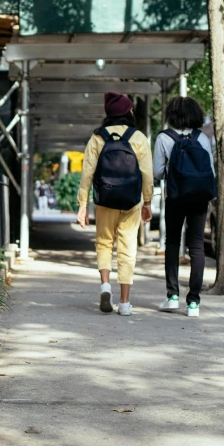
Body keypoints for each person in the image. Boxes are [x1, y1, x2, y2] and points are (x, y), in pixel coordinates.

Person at [77, 93, 154, 316]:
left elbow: (87, 173)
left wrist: (83, 204)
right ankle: (125, 302)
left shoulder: (97, 137)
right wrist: (147, 201)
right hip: (131, 201)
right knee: (127, 247)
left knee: (103, 242)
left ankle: (105, 286)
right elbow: (147, 173)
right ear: (128, 112)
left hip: (105, 199)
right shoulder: (138, 137)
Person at [154, 96, 215, 318]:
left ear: (171, 115)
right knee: (197, 246)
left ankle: (172, 297)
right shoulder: (202, 138)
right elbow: (210, 171)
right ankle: (193, 303)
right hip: (199, 197)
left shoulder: (164, 138)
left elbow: (158, 172)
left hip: (176, 196)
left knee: (172, 243)